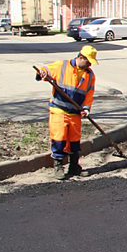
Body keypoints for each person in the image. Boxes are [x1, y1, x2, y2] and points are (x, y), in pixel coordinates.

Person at [36, 45, 98, 180]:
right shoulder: (62, 66)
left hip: (75, 112)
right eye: (87, 61)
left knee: (75, 140)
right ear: (80, 57)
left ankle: (74, 166)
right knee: (59, 138)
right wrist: (42, 73)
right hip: (59, 109)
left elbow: (89, 93)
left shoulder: (89, 74)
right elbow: (44, 70)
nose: (89, 65)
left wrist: (86, 108)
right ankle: (58, 166)